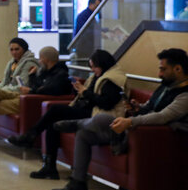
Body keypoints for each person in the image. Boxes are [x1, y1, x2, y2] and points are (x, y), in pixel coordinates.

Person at [51, 48, 188, 190]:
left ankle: (78, 123)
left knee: (101, 119)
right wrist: (137, 108)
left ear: (178, 68)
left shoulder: (185, 95)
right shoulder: (164, 87)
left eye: (163, 69)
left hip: (147, 137)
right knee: (84, 134)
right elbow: (150, 108)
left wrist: (130, 121)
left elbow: (162, 117)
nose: (159, 74)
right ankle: (78, 183)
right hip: (135, 131)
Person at [8, 49, 125, 179]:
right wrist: (79, 91)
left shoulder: (112, 80)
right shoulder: (98, 76)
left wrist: (85, 92)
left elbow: (106, 103)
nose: (92, 70)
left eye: (93, 67)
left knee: (55, 110)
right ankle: (49, 165)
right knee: (53, 122)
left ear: (102, 64)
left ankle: (31, 136)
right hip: (88, 110)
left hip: (99, 115)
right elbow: (88, 96)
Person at [0, 46, 73, 153]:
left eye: (40, 58)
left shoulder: (60, 74)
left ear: (45, 59)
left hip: (30, 102)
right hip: (27, 96)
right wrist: (33, 76)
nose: (39, 61)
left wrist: (31, 91)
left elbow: (50, 90)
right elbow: (37, 86)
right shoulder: (44, 72)